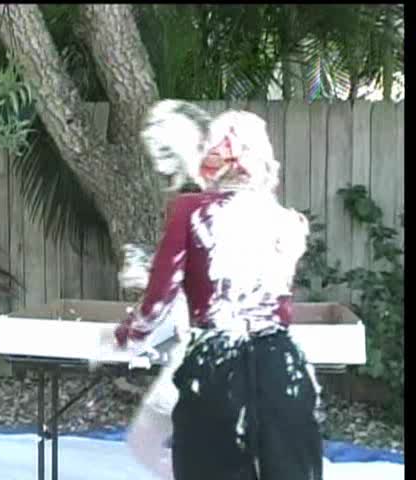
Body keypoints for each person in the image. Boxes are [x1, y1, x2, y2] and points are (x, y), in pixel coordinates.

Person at [115, 103, 323, 480]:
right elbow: (257, 295)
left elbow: (159, 300)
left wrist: (129, 335)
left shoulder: (190, 210)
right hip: (283, 367)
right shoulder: (288, 222)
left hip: (215, 367)